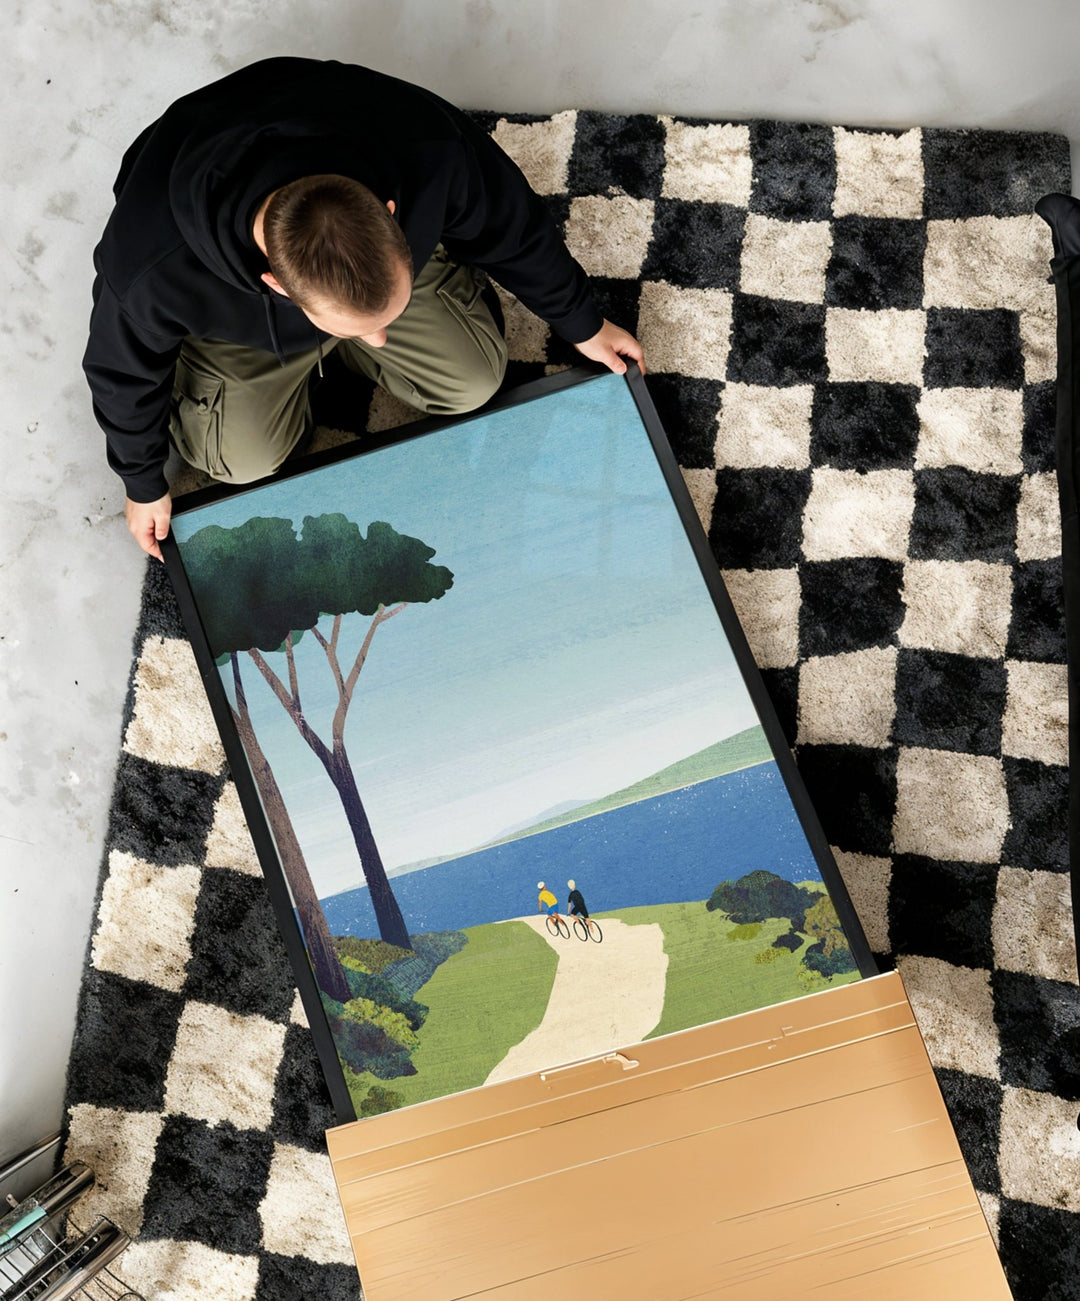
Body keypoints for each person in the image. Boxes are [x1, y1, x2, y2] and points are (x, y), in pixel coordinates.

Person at [83, 58, 646, 562]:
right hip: (237, 331)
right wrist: (141, 481)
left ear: (391, 213)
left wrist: (582, 322)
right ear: (277, 286)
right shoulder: (150, 267)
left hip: (359, 239)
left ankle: (373, 305)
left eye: (384, 319)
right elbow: (121, 371)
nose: (379, 339)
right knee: (241, 462)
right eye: (360, 330)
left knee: (473, 382)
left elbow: (513, 227)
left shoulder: (426, 143)